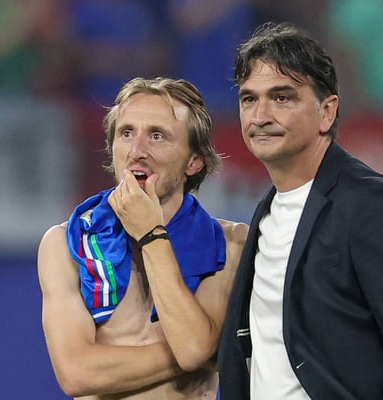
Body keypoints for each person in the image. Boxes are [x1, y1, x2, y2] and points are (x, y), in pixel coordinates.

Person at [218, 22, 383, 399]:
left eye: (282, 98)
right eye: (249, 99)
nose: (260, 116)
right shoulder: (267, 213)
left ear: (326, 112)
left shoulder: (375, 207)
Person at [37, 77, 248, 399]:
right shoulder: (66, 244)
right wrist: (201, 350)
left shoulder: (230, 244)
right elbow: (77, 373)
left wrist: (151, 235)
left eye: (157, 136)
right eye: (126, 133)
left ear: (194, 161)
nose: (136, 152)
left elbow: (193, 348)